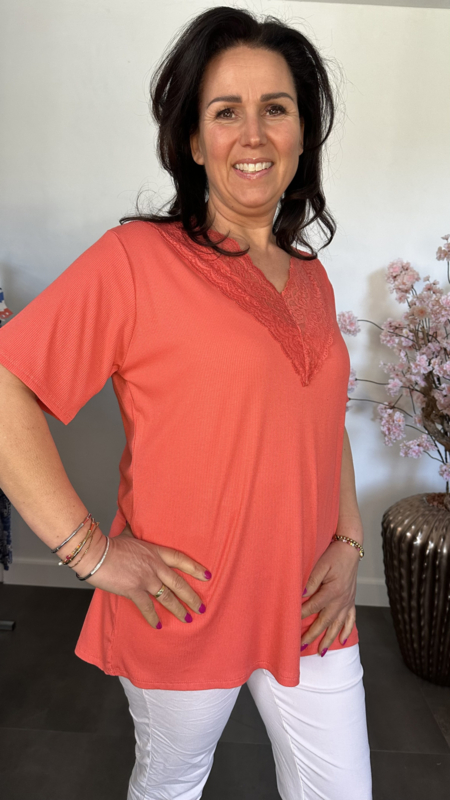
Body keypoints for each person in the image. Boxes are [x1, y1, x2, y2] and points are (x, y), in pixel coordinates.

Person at [0, 6, 373, 799]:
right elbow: (7, 385)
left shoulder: (311, 276)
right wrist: (90, 553)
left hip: (313, 604)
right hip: (184, 604)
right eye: (225, 111)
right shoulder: (136, 260)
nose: (253, 133)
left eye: (276, 108)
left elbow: (320, 416)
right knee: (172, 783)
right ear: (195, 142)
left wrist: (348, 542)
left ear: (302, 134)